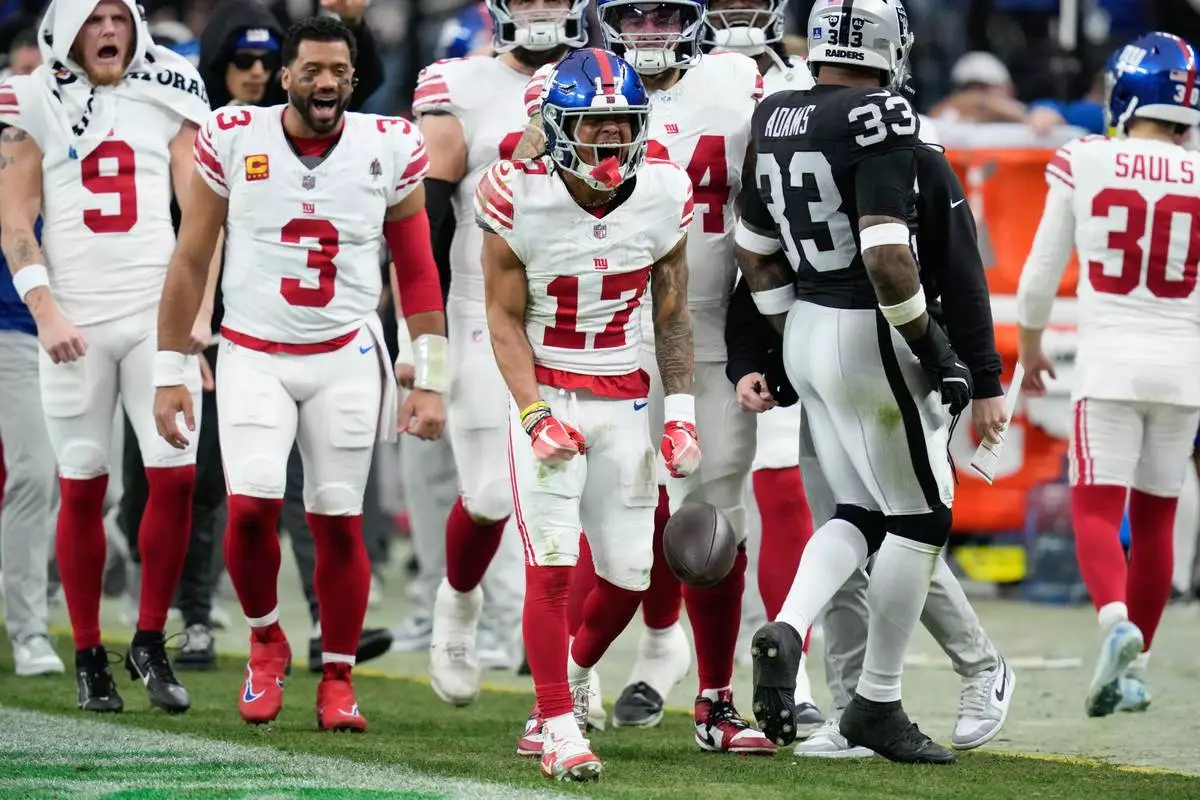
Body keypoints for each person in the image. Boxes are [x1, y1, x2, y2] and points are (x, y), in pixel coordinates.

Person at [152, 15, 447, 732]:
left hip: (344, 352)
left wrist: (432, 376)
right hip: (253, 349)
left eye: (338, 71)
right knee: (251, 507)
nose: (325, 82)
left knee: (339, 519)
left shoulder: (389, 143)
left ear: (353, 78)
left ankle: (338, 679)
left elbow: (417, 268)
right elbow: (191, 257)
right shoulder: (233, 135)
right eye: (311, 69)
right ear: (285, 76)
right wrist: (169, 367)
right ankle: (265, 640)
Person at [736, 0, 1009, 764]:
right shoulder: (882, 116)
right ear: (890, 48)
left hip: (807, 326)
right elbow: (890, 257)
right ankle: (878, 702)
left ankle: (789, 625)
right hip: (872, 329)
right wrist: (938, 349)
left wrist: (785, 339)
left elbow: (754, 251)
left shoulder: (775, 113)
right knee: (920, 521)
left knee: (858, 512)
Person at [121, 0, 394, 673]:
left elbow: (356, 89)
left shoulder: (314, 127)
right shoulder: (213, 130)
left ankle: (326, 626)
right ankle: (195, 615)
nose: (255, 72)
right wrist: (187, 332)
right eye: (241, 60)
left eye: (267, 60)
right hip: (211, 324)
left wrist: (351, 25)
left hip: (305, 332)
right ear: (217, 65)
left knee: (309, 493)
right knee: (206, 482)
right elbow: (191, 245)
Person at [481, 46, 697, 782]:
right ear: (557, 126)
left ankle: (567, 682)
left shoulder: (663, 188)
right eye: (594, 122)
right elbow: (502, 319)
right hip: (549, 389)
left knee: (631, 576)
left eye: (623, 121)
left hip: (624, 394)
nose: (611, 135)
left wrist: (682, 412)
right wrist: (533, 412)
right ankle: (557, 725)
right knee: (551, 566)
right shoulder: (516, 192)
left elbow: (672, 311)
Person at [0, 0, 210, 713]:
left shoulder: (170, 83)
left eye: (120, 17)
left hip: (156, 315)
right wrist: (45, 310)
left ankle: (150, 639)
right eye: (94, 19)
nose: (110, 30)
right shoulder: (32, 97)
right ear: (66, 28)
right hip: (76, 319)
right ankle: (89, 655)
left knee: (176, 477)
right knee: (83, 484)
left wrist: (197, 313)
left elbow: (200, 214)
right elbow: (14, 219)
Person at [1016, 31, 1200, 719]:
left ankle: (1115, 623)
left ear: (1126, 94)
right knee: (1158, 518)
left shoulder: (1085, 158)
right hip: (1183, 368)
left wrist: (1030, 344)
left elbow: (1040, 274)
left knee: (1096, 506)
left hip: (1111, 362)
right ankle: (1137, 667)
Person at [413, 0, 589, 709]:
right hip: (480, 305)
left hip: (579, 310)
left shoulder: (605, 76)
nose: (542, 8)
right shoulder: (457, 83)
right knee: (488, 496)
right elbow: (426, 220)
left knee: (581, 502)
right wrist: (424, 346)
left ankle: (571, 672)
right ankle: (458, 601)